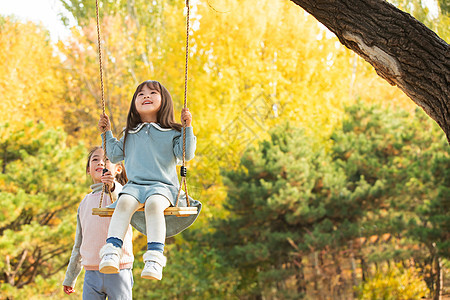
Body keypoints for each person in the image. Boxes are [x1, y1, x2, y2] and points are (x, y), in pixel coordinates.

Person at [97, 80, 201, 281]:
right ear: (134, 104)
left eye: (152, 93)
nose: (146, 96)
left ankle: (154, 257)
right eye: (140, 94)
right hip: (135, 187)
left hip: (163, 187)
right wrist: (107, 132)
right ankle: (111, 249)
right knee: (124, 201)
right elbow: (114, 154)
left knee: (154, 205)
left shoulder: (172, 132)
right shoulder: (130, 133)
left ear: (164, 101)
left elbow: (186, 154)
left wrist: (188, 127)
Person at [63, 147, 134, 299]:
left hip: (118, 269)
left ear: (118, 169)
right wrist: (70, 277)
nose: (101, 162)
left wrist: (112, 185)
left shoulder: (123, 192)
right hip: (91, 273)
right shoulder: (84, 203)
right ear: (88, 169)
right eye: (95, 159)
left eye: (107, 159)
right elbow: (79, 243)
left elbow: (121, 198)